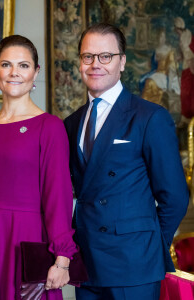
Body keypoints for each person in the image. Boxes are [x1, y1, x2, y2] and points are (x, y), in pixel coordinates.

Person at [64, 23, 189, 300]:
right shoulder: (71, 123)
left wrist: (148, 247)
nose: (96, 64)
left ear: (122, 62)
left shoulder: (149, 117)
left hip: (134, 265)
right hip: (86, 265)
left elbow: (175, 197)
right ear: (80, 62)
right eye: (88, 57)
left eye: (105, 56)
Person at [0, 34, 77, 300]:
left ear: (36, 72)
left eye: (24, 65)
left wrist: (62, 258)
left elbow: (57, 196)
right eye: (6, 64)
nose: (14, 73)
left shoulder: (50, 127)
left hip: (27, 241)